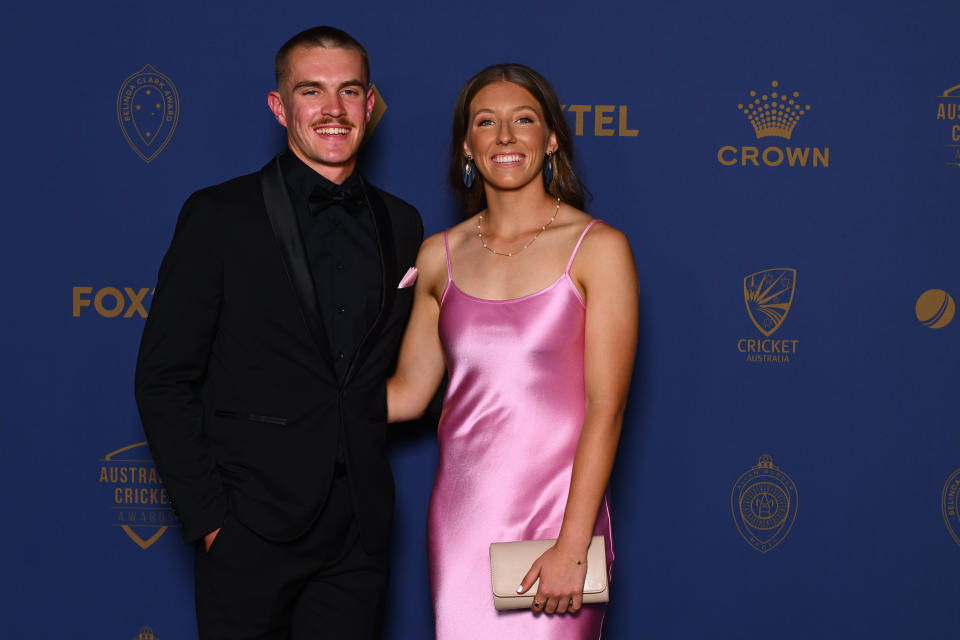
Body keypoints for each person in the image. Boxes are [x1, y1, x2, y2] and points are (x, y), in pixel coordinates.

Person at [134, 26, 423, 639]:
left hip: (360, 531)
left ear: (370, 105)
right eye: (311, 91)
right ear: (279, 106)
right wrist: (211, 519)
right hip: (249, 524)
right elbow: (163, 379)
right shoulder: (219, 215)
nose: (333, 110)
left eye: (350, 91)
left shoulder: (403, 223)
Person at [387, 64, 638, 639]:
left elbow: (607, 406)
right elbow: (405, 395)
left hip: (558, 519)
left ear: (550, 140)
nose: (505, 136)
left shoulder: (599, 248)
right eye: (486, 122)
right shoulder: (437, 256)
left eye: (523, 120)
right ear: (467, 147)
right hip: (463, 518)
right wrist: (291, 389)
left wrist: (574, 545)